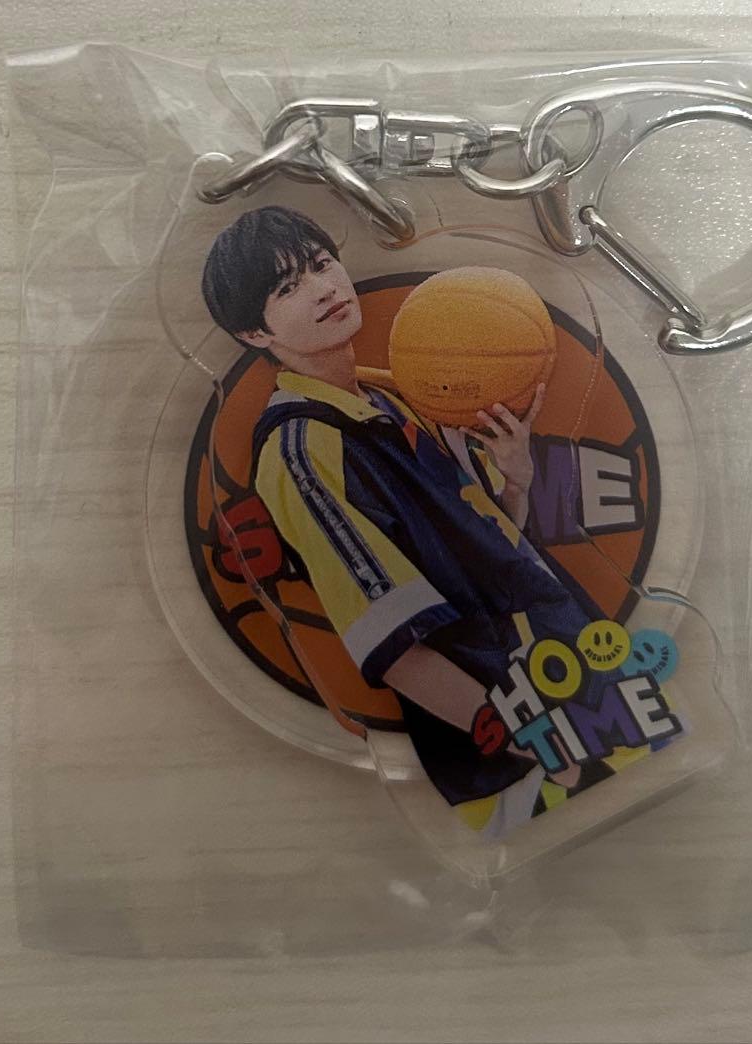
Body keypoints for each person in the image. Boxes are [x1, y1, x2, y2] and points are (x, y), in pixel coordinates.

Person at [202, 205, 602, 812]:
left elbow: (491, 553)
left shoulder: (394, 393)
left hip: (567, 675)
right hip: (512, 759)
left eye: (321, 264)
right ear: (254, 334)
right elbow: (393, 645)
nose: (323, 288)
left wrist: (516, 480)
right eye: (288, 288)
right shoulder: (298, 450)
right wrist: (542, 747)